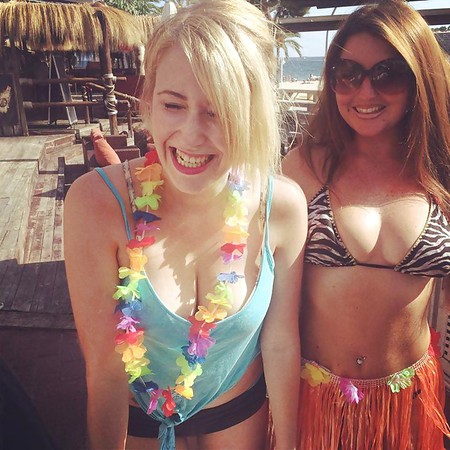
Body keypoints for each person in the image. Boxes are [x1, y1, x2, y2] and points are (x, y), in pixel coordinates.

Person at [64, 1, 307, 449]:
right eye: (173, 104)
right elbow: (104, 370)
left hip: (240, 418)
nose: (192, 135)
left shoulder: (282, 206)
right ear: (148, 102)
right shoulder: (96, 204)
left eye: (218, 111)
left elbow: (280, 343)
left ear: (252, 114)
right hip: (136, 426)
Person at [282, 1, 450, 449]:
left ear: (419, 78)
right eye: (348, 74)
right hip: (315, 403)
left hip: (407, 406)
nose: (365, 92)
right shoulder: (304, 166)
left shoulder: (440, 173)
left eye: (387, 74)